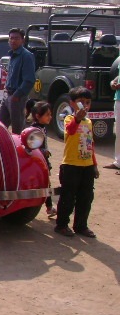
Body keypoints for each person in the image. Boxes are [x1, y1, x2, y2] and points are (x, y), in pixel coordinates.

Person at [54, 87, 99, 238]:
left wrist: (95, 165)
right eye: (81, 102)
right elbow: (71, 131)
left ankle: (81, 226)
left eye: (88, 102)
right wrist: (77, 118)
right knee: (68, 196)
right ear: (73, 103)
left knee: (86, 197)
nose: (85, 105)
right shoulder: (69, 119)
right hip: (71, 165)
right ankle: (61, 225)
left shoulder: (89, 122)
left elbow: (90, 144)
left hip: (87, 166)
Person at [0, 28, 36, 134]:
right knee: (0, 126)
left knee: (18, 130)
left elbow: (29, 80)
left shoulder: (26, 56)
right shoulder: (13, 55)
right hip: (7, 96)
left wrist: (17, 95)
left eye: (17, 38)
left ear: (22, 40)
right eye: (11, 38)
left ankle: (18, 150)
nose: (13, 41)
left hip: (17, 98)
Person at [25, 99, 57, 217]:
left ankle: (49, 207)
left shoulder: (42, 127)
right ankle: (48, 207)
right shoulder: (34, 130)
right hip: (38, 161)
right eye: (47, 114)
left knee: (46, 184)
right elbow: (32, 147)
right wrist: (43, 151)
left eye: (50, 114)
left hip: (43, 159)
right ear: (38, 116)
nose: (50, 117)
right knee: (45, 184)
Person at [105, 64, 120, 171]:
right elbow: (118, 77)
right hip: (118, 100)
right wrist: (113, 83)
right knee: (119, 132)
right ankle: (118, 162)